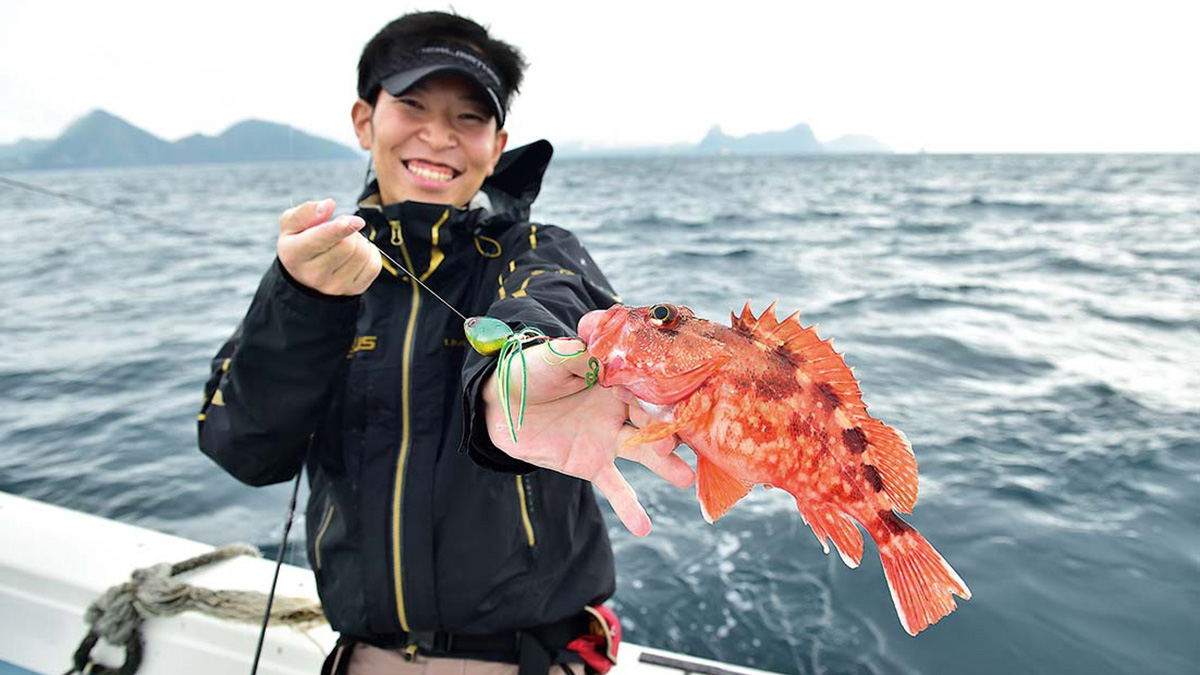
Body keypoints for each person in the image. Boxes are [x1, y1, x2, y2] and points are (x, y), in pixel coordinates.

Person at [198, 11, 693, 675]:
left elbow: (551, 296)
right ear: (363, 118)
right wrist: (300, 300)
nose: (438, 136)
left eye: (469, 118)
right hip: (363, 657)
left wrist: (520, 368)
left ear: (497, 142)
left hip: (527, 661)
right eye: (411, 106)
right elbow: (243, 447)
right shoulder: (319, 270)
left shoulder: (536, 249)